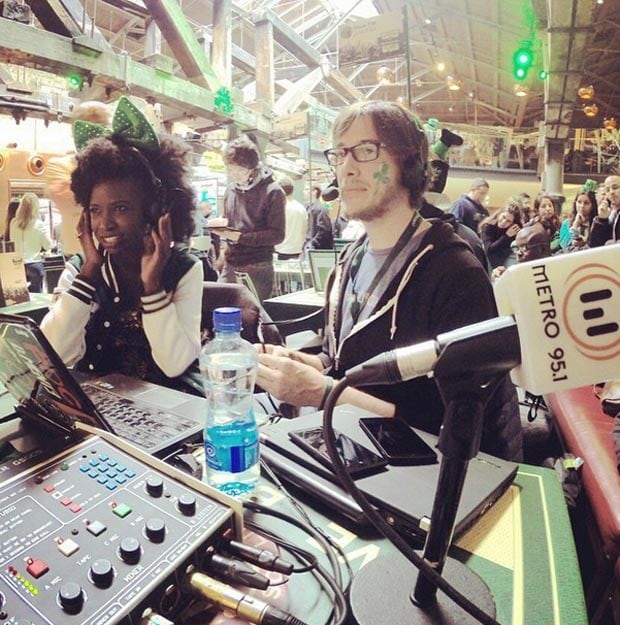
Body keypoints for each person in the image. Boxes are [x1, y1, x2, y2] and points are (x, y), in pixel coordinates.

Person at [256, 100, 522, 462]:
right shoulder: (352, 258)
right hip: (355, 453)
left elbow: (452, 426)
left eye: (365, 150)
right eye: (340, 154)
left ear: (409, 163)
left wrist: (323, 392)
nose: (346, 168)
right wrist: (309, 366)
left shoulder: (456, 273)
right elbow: (344, 361)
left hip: (422, 477)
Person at [40, 96, 204, 396]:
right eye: (95, 210)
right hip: (99, 406)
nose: (104, 224)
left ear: (153, 211)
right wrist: (89, 273)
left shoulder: (184, 269)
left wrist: (152, 286)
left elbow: (174, 364)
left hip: (170, 407)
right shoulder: (80, 269)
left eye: (121, 209)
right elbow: (55, 357)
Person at [211, 135, 285, 301]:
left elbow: (277, 234)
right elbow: (230, 221)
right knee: (219, 311)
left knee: (252, 318)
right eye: (231, 170)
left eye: (239, 170)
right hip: (231, 263)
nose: (234, 175)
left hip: (257, 265)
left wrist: (241, 237)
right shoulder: (231, 190)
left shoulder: (273, 191)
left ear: (253, 167)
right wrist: (222, 226)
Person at [45, 100, 112, 258]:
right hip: (79, 253)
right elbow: (72, 199)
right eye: (87, 127)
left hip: (117, 251)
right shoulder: (58, 166)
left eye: (102, 126)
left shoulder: (119, 163)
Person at [9, 193, 52, 293]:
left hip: (17, 264)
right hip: (34, 265)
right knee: (37, 299)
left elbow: (13, 242)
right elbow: (47, 245)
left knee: (20, 297)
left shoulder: (13, 223)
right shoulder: (39, 224)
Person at [479, 203, 522, 269]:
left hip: (505, 258)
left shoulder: (513, 230)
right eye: (503, 217)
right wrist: (506, 236)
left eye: (508, 221)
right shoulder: (488, 226)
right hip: (490, 259)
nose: (503, 222)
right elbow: (489, 250)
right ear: (499, 214)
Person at [275, 175, 308, 260]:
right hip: (297, 253)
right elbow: (304, 231)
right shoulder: (301, 208)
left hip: (279, 252)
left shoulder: (277, 208)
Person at [589, 174, 620, 247]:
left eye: (615, 188)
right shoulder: (610, 213)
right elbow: (595, 246)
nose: (611, 192)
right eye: (608, 190)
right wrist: (602, 220)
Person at [305, 185, 334, 251]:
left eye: (307, 189)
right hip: (310, 246)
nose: (304, 192)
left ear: (314, 192)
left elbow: (324, 229)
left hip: (316, 249)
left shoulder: (320, 208)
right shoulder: (307, 207)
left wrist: (313, 243)